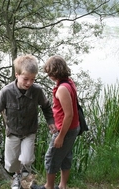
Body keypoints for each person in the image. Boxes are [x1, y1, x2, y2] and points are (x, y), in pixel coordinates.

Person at [0, 54, 56, 189]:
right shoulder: (6, 92)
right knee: (10, 163)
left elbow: (46, 106)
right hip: (12, 132)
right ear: (17, 74)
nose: (29, 83)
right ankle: (17, 175)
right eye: (26, 79)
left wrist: (50, 120)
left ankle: (23, 173)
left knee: (27, 159)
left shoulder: (37, 91)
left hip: (29, 132)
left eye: (33, 79)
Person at [31, 56, 80, 189]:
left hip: (67, 129)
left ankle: (49, 186)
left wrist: (60, 136)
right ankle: (62, 186)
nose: (48, 75)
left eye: (49, 73)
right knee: (65, 156)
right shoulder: (68, 82)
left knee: (51, 157)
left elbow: (68, 115)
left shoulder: (62, 89)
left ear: (55, 72)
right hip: (72, 127)